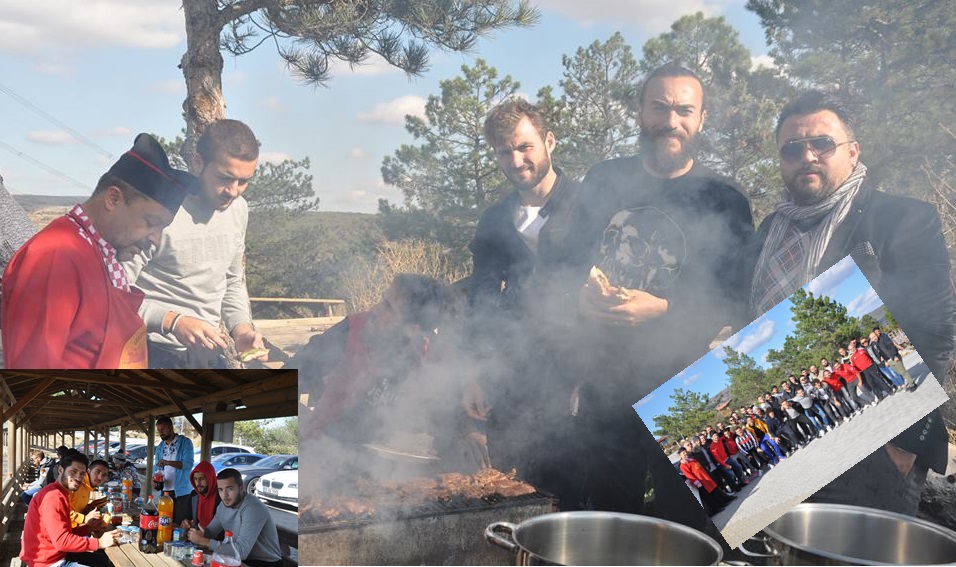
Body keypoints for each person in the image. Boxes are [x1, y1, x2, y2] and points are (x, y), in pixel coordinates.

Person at [750, 90, 955, 515]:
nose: (807, 155)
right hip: (782, 433)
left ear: (853, 151)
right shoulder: (770, 229)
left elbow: (933, 331)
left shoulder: (902, 218)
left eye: (822, 143)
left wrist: (904, 441)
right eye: (792, 148)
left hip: (872, 440)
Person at [571, 63, 753, 529]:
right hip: (602, 381)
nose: (671, 120)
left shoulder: (724, 197)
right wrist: (577, 297)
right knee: (609, 518)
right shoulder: (604, 180)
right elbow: (567, 259)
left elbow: (734, 297)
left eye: (684, 110)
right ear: (640, 112)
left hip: (685, 387)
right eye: (660, 107)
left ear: (701, 119)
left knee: (681, 522)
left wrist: (665, 309)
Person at [466, 99, 588, 510]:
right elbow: (479, 302)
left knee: (568, 493)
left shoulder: (589, 207)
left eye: (525, 147)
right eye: (505, 151)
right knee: (511, 487)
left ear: (549, 141)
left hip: (575, 376)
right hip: (512, 376)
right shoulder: (494, 220)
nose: (516, 160)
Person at [2, 134, 195, 368]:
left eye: (162, 228)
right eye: (150, 222)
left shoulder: (100, 251)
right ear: (113, 198)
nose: (156, 238)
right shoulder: (56, 255)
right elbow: (32, 372)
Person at [124, 119, 267, 369]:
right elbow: (114, 294)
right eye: (225, 178)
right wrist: (173, 321)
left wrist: (242, 329)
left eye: (244, 181)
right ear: (198, 163)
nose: (233, 191)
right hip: (149, 350)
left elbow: (232, 281)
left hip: (208, 355)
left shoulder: (239, 210)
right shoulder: (158, 210)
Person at [20, 451, 120, 567]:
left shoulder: (60, 493)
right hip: (47, 562)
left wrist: (88, 528)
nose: (78, 477)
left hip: (57, 554)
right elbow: (62, 541)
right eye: (73, 471)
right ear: (61, 470)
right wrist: (98, 543)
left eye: (82, 474)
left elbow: (63, 532)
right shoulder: (53, 497)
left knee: (104, 560)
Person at [186, 468, 282, 567]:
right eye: (220, 490)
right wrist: (196, 531)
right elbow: (210, 531)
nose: (225, 495)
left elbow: (241, 552)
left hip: (264, 562)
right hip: (236, 559)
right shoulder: (223, 506)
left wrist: (203, 541)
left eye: (230, 488)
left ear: (241, 488)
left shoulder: (253, 508)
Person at [153, 415, 195, 523]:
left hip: (182, 492)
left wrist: (168, 463)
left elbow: (188, 464)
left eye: (163, 429)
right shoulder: (160, 447)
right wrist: (155, 480)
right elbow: (156, 467)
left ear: (171, 427)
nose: (161, 432)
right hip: (165, 490)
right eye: (158, 430)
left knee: (179, 522)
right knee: (164, 521)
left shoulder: (185, 442)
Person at [678, 448, 735, 516]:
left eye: (685, 452)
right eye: (683, 453)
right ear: (680, 456)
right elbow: (688, 475)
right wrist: (696, 482)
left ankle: (722, 503)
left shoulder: (691, 459)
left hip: (706, 478)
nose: (685, 454)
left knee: (715, 491)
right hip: (701, 482)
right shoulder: (683, 465)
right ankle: (716, 508)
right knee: (709, 496)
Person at [180, 461, 222, 537]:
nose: (198, 483)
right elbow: (187, 517)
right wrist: (186, 523)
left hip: (216, 542)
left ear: (210, 478)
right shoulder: (194, 495)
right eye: (195, 479)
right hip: (197, 538)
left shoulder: (221, 496)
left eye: (202, 479)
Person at [68, 458, 111, 529]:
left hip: (78, 527)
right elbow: (61, 511)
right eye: (97, 472)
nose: (100, 477)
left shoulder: (89, 487)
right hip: (69, 529)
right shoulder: (75, 485)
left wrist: (89, 507)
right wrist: (84, 518)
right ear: (88, 471)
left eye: (104, 475)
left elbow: (76, 507)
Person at [873, 326, 916, 391]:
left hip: (894, 357)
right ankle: (911, 382)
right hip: (889, 360)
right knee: (900, 372)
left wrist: (894, 356)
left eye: (878, 331)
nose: (877, 333)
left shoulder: (884, 338)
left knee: (903, 371)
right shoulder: (876, 343)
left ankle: (912, 384)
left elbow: (892, 346)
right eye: (875, 333)